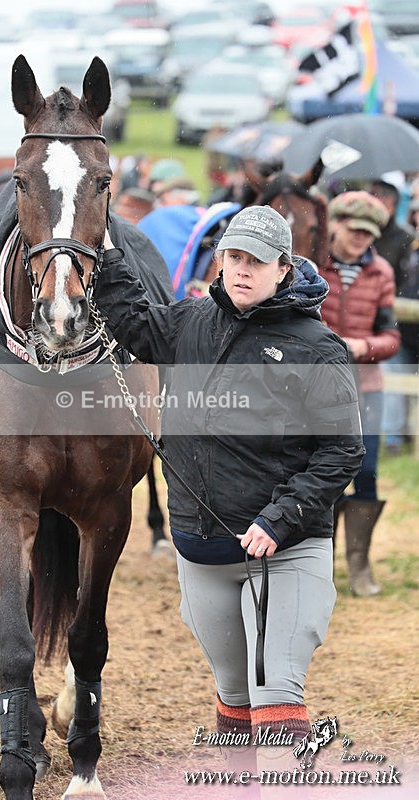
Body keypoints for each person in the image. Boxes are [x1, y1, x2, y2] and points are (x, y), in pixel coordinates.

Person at [93, 205, 364, 788]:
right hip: (202, 549)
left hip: (284, 551)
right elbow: (133, 323)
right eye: (233, 257)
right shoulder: (189, 321)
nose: (242, 270)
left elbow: (342, 453)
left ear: (283, 268)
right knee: (235, 691)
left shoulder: (319, 349)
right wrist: (106, 254)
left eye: (256, 261)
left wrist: (280, 518)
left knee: (275, 689)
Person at [319, 191, 400, 596]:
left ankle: (360, 564)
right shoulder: (314, 265)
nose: (360, 238)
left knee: (366, 471)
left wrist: (362, 346)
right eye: (354, 230)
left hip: (366, 385)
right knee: (323, 472)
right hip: (319, 387)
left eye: (368, 233)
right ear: (336, 224)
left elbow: (391, 337)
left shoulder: (381, 271)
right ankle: (322, 562)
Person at [370, 176, 418, 456]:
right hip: (391, 321)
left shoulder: (405, 239)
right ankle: (393, 438)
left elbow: (402, 280)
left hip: (399, 317)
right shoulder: (372, 236)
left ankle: (400, 436)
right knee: (392, 377)